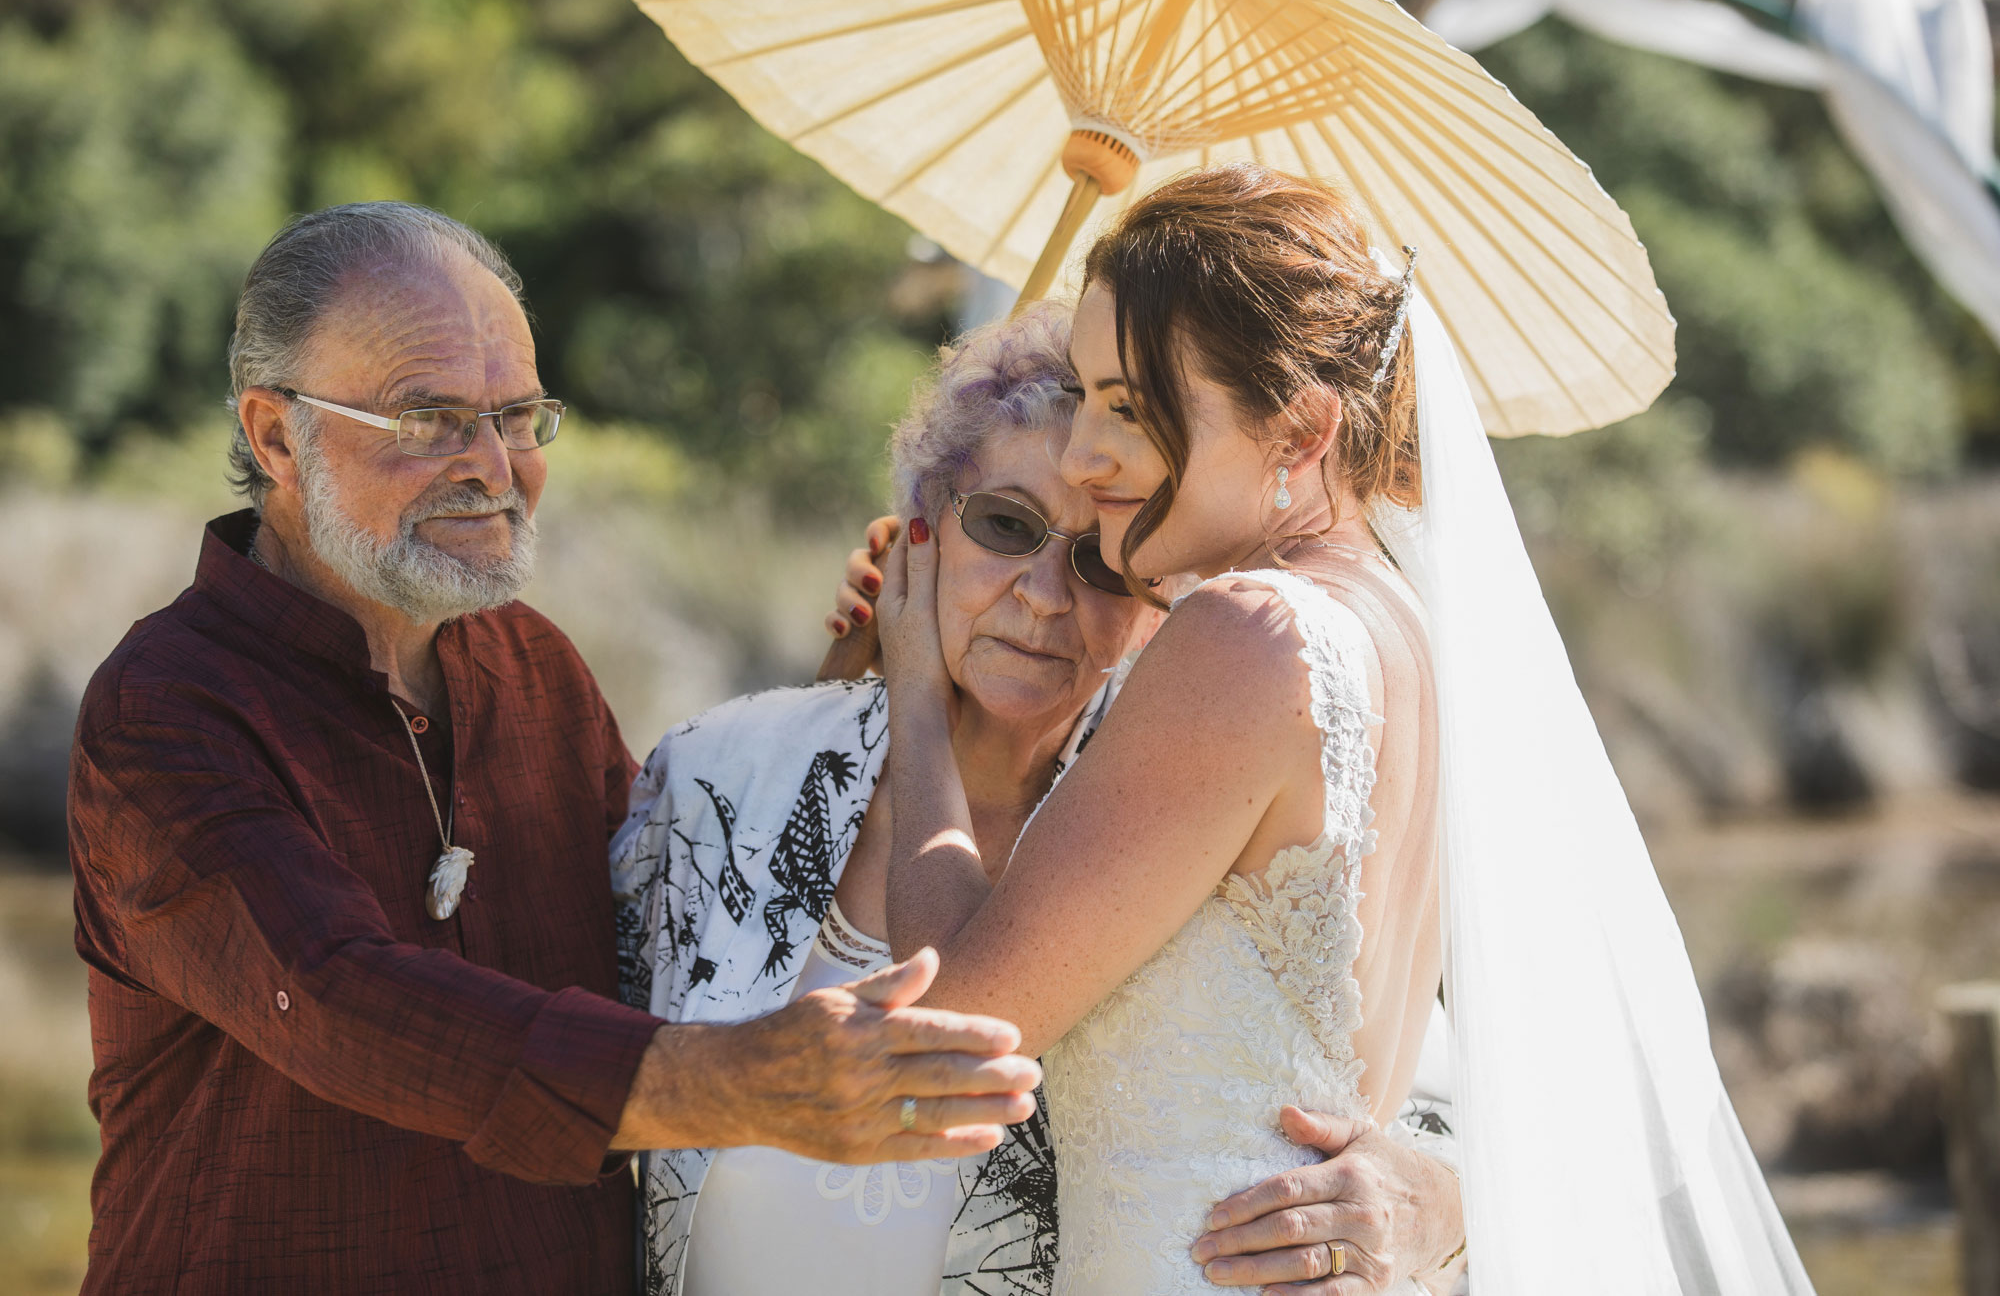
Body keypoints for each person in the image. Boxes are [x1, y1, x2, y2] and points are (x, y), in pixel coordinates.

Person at [872, 163, 1817, 1296]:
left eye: (1129, 405)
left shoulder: (1244, 638)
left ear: (1298, 429)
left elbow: (949, 1026)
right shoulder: (1394, 631)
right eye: (1082, 396)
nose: (1082, 456)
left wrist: (918, 703)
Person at [65, 201, 1039, 1295]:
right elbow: (338, 1000)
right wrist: (735, 1083)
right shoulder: (166, 708)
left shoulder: (530, 665)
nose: (494, 465)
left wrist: (848, 696)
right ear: (274, 434)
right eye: (427, 417)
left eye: (518, 415)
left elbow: (672, 920)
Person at [612, 303, 1468, 1296]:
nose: (1044, 595)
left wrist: (1432, 1201)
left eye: (1103, 561)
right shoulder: (720, 774)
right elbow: (575, 1084)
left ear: (1160, 602)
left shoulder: (1185, 804)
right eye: (1005, 525)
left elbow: (1413, 1087)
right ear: (915, 534)